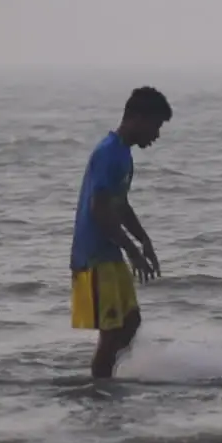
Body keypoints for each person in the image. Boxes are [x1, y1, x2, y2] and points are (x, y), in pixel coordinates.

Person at [69, 86, 173, 379]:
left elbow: (120, 205)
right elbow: (99, 209)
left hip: (110, 251)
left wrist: (144, 240)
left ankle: (108, 381)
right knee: (112, 332)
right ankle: (100, 392)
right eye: (156, 125)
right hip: (94, 255)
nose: (156, 134)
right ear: (137, 118)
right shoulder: (108, 153)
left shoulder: (123, 155)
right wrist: (132, 251)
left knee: (130, 323)